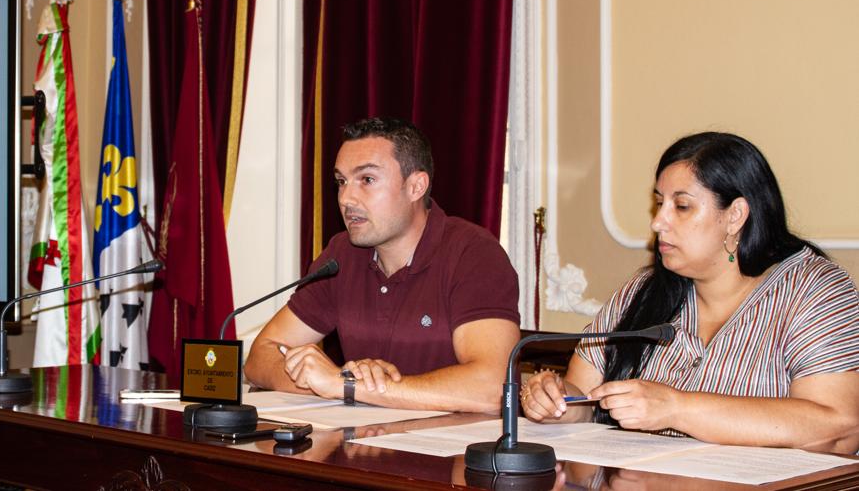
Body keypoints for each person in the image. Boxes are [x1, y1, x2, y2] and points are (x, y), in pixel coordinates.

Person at [522, 132, 859, 452]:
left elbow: (839, 429)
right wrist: (555, 400)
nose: (657, 222)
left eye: (681, 206)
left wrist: (677, 409)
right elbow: (584, 398)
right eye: (659, 203)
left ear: (735, 216)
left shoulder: (814, 290)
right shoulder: (641, 290)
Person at [243, 117, 519, 412]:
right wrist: (330, 382)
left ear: (415, 186)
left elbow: (493, 388)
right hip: (359, 448)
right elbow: (260, 356)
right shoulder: (342, 254)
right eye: (341, 182)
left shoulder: (472, 254)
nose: (346, 198)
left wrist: (349, 386)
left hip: (447, 452)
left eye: (367, 180)